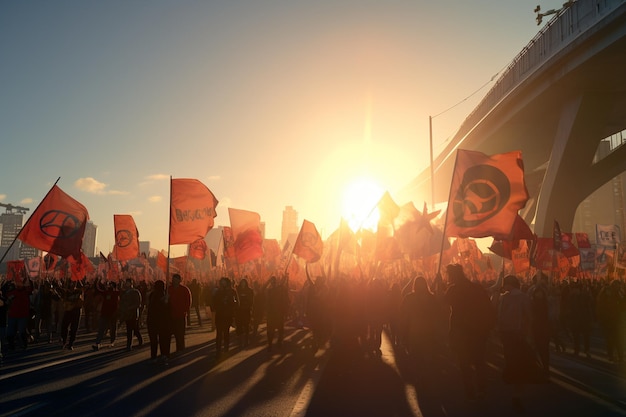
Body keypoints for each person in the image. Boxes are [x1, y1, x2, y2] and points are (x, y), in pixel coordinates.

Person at [444, 263, 496, 402]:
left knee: (464, 364)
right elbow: (488, 307)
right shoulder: (476, 288)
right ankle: (482, 389)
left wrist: (437, 287)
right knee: (479, 361)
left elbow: (442, 304)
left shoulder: (453, 290)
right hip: (478, 332)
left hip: (462, 333)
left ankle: (470, 391)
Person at [498, 274, 541, 412]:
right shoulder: (523, 297)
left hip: (506, 334)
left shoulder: (503, 298)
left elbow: (499, 316)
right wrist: (529, 335)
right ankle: (517, 392)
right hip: (519, 335)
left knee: (511, 361)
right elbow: (529, 316)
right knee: (522, 365)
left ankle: (512, 381)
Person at [146, 280, 171, 365]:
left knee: (160, 339)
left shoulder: (162, 295)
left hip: (159, 320)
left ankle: (161, 356)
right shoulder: (154, 295)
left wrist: (166, 302)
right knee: (157, 339)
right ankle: (159, 356)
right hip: (156, 320)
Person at [213, 277, 238, 358]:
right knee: (219, 334)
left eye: (225, 283)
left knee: (226, 333)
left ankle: (226, 348)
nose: (223, 284)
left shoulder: (232, 291)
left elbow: (236, 303)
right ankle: (218, 350)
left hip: (227, 315)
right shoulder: (218, 292)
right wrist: (220, 303)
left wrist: (230, 304)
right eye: (222, 283)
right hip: (219, 315)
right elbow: (214, 303)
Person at [6, 276, 33, 351]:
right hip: (13, 315)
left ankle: (24, 344)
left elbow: (31, 288)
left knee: (21, 331)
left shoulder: (27, 292)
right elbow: (7, 299)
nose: (18, 284)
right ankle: (11, 345)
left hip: (22, 315)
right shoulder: (12, 292)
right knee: (10, 332)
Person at [92, 279, 120, 350]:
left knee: (113, 329)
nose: (108, 286)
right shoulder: (106, 292)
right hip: (104, 313)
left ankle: (112, 341)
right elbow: (98, 289)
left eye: (110, 285)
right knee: (101, 328)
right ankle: (97, 343)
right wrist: (97, 281)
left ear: (114, 286)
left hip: (113, 314)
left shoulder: (116, 293)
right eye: (108, 285)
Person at [168, 273, 192, 354]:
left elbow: (188, 301)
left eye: (176, 279)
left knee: (180, 333)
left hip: (181, 314)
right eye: (173, 279)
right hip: (171, 315)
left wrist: (185, 310)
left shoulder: (184, 289)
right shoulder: (169, 289)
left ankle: (180, 348)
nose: (174, 281)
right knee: (173, 332)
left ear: (179, 280)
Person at [266, 275, 290, 352]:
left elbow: (285, 300)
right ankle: (270, 344)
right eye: (271, 282)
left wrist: (286, 279)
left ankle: (279, 341)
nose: (273, 283)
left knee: (280, 329)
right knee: (270, 330)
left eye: (274, 282)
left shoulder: (280, 290)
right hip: (271, 313)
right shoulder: (269, 291)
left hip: (279, 312)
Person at [118, 278, 143, 352]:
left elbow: (138, 303)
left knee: (134, 329)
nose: (126, 284)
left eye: (128, 283)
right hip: (127, 314)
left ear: (131, 283)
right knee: (130, 329)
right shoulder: (125, 292)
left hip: (133, 314)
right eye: (126, 283)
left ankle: (137, 341)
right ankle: (129, 345)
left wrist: (130, 307)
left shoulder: (135, 292)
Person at [59, 279, 83, 351]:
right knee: (64, 326)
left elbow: (81, 300)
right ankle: (64, 341)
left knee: (74, 328)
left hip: (76, 311)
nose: (72, 285)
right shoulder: (66, 292)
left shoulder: (78, 291)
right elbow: (62, 299)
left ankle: (71, 344)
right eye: (71, 283)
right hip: (68, 311)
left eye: (74, 283)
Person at [235, 278, 254, 348]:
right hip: (239, 311)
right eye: (242, 283)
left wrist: (249, 305)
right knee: (239, 326)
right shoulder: (237, 291)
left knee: (246, 326)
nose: (243, 284)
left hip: (246, 311)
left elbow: (251, 300)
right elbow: (235, 299)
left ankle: (246, 340)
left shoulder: (249, 291)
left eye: (244, 283)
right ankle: (239, 341)